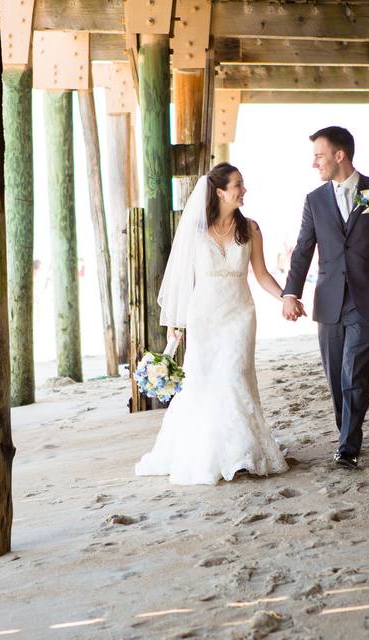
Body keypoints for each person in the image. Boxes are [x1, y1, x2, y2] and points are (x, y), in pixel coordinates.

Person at [135, 163, 290, 485]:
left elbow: (261, 274)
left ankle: (242, 454)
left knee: (234, 377)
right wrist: (174, 325)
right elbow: (181, 280)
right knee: (203, 382)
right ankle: (207, 452)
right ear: (219, 191)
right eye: (238, 185)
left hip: (239, 313)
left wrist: (285, 297)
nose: (243, 190)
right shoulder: (195, 231)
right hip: (203, 314)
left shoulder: (251, 229)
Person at [282, 126, 369, 470]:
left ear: (340, 155)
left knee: (355, 372)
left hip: (368, 299)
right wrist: (290, 293)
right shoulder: (314, 200)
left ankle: (348, 446)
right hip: (328, 301)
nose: (314, 164)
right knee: (336, 376)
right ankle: (347, 432)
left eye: (319, 156)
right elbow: (303, 250)